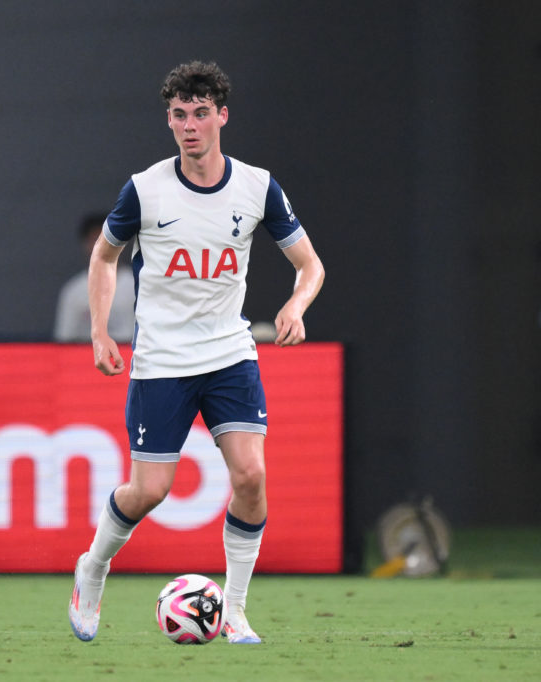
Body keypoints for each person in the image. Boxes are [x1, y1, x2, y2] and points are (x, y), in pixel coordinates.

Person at [68, 60, 325, 644]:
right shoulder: (146, 188)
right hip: (161, 359)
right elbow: (104, 256)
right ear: (169, 119)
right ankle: (94, 566)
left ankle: (233, 610)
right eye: (180, 114)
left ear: (222, 116)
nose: (190, 125)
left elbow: (310, 266)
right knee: (149, 491)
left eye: (201, 113)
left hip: (230, 352)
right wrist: (100, 331)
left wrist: (294, 307)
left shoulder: (257, 186)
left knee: (252, 476)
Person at [53, 211, 135, 343]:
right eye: (95, 240)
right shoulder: (74, 291)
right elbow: (64, 341)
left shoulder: (138, 286)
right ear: (86, 245)